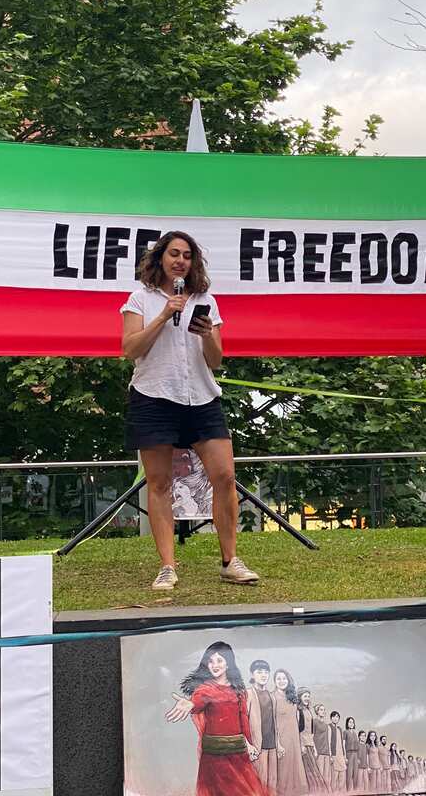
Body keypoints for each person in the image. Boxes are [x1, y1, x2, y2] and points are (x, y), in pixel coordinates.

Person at [120, 231, 258, 591]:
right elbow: (130, 349)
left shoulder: (206, 300)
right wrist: (165, 315)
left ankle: (230, 560)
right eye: (174, 254)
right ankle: (167, 566)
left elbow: (216, 360)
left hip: (201, 396)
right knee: (160, 482)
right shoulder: (140, 299)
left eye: (187, 256)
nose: (180, 261)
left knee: (224, 476)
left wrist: (208, 333)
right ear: (160, 259)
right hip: (154, 396)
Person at [166, 641, 268, 796]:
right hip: (214, 758)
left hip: (238, 755)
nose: (215, 665)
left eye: (219, 660)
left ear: (228, 664)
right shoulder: (205, 689)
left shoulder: (239, 691)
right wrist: (190, 704)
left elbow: (243, 721)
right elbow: (198, 702)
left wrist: (248, 744)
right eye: (211, 661)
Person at [270, 669, 308, 796]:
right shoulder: (272, 697)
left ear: (288, 680)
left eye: (284, 678)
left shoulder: (293, 698)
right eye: (278, 679)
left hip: (294, 739)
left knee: (296, 767)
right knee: (283, 769)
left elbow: (297, 722)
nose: (281, 681)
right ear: (274, 681)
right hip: (281, 738)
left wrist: (301, 742)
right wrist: (278, 744)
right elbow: (272, 722)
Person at [246, 660, 278, 794]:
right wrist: (247, 744)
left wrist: (279, 744)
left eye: (266, 672)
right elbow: (241, 720)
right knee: (260, 782)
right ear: (252, 675)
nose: (263, 675)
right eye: (259, 672)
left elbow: (274, 722)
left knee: (273, 782)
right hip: (258, 745)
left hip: (272, 745)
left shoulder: (272, 696)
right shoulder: (248, 693)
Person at [296, 688, 328, 792]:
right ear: (300, 697)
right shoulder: (298, 710)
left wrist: (314, 746)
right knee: (308, 770)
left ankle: (320, 791)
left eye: (308, 696)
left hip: (310, 743)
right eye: (305, 696)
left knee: (314, 769)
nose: (307, 698)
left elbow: (310, 732)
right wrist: (301, 745)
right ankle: (314, 791)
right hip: (303, 744)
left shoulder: (309, 711)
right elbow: (298, 729)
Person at [343, 717, 360, 791]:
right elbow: (343, 744)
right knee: (349, 773)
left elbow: (358, 745)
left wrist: (358, 757)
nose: (351, 723)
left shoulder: (355, 733)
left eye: (352, 722)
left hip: (356, 754)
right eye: (350, 722)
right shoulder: (345, 732)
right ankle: (348, 790)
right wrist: (345, 756)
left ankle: (355, 790)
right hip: (349, 753)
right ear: (347, 723)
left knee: (356, 773)